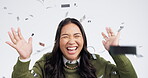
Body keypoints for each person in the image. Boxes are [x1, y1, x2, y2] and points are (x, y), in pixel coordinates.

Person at [6, 18, 137, 78]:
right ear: (58, 41)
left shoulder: (97, 63)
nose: (71, 41)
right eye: (65, 36)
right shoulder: (46, 63)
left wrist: (116, 52)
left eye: (76, 36)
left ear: (83, 40)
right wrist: (24, 59)